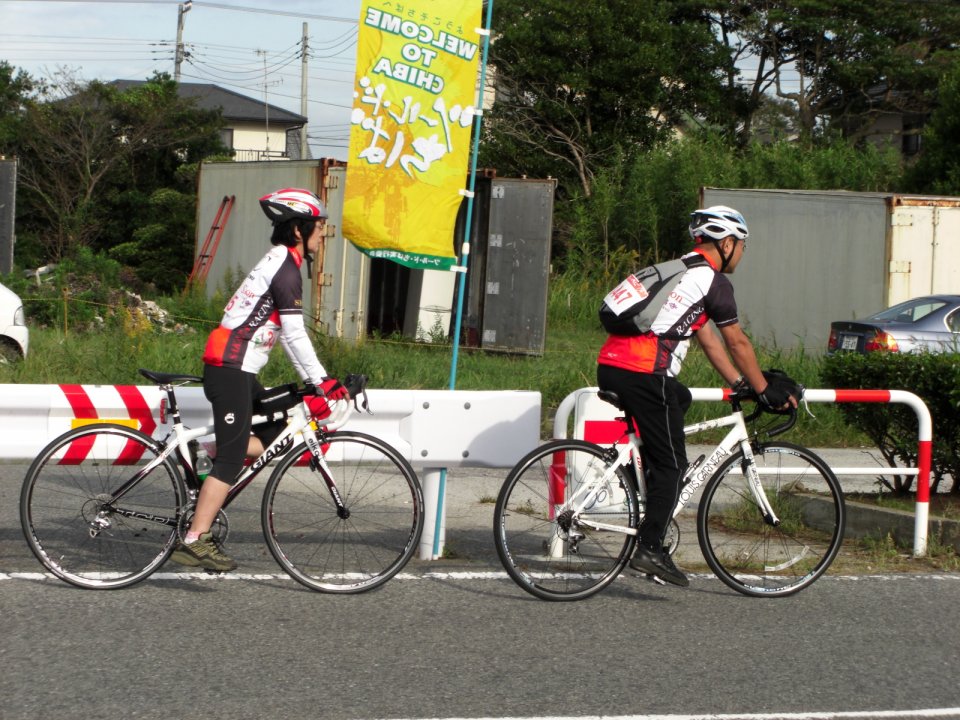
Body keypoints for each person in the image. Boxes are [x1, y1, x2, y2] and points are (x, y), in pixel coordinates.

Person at [596, 205, 798, 587]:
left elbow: (708, 341)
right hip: (644, 374)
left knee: (681, 396)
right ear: (726, 243)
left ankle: (653, 486)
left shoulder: (679, 272)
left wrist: (740, 381)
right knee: (673, 466)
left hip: (613, 366)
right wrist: (763, 389)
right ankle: (650, 547)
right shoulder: (714, 282)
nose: (742, 253)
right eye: (741, 245)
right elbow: (735, 340)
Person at [170, 187, 349, 572]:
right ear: (298, 230)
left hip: (239, 369)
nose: (323, 233)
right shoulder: (286, 266)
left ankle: (204, 455)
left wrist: (316, 382)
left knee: (275, 434)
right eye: (319, 226)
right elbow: (295, 334)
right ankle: (194, 539)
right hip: (229, 368)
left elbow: (286, 336)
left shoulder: (283, 260)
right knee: (235, 456)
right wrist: (323, 381)